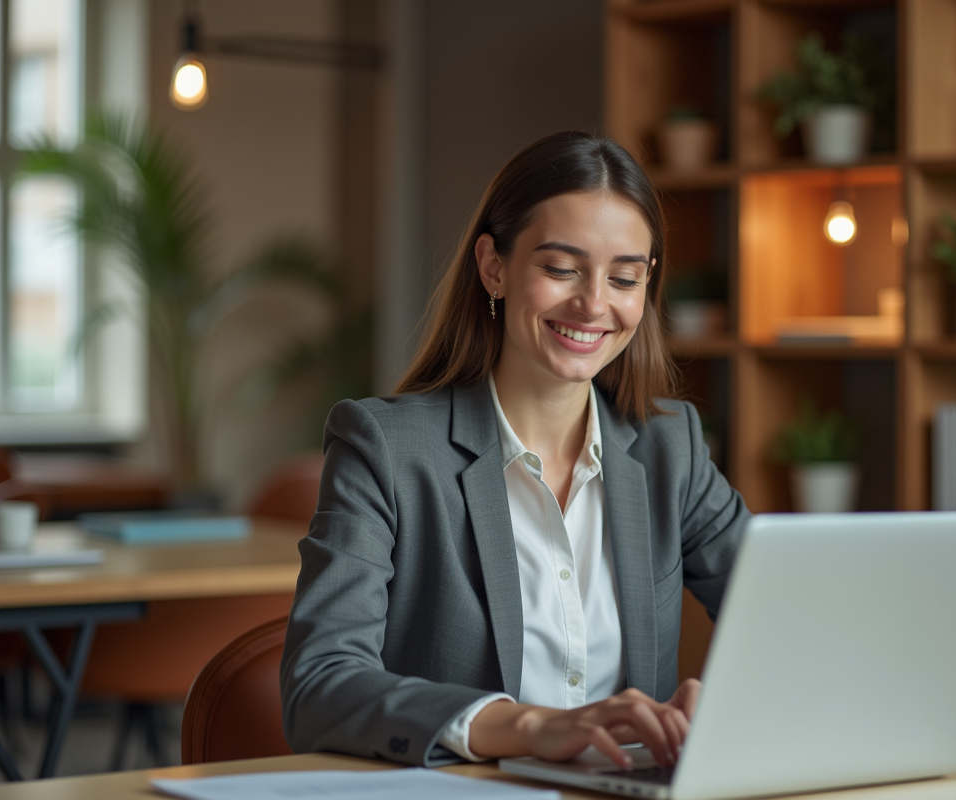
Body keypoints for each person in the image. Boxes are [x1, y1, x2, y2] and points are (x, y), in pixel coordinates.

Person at [280, 131, 749, 770]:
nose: (593, 303)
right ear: (493, 266)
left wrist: (729, 703)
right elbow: (320, 685)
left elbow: (796, 618)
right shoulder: (384, 449)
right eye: (560, 269)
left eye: (624, 277)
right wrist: (530, 727)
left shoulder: (674, 449)